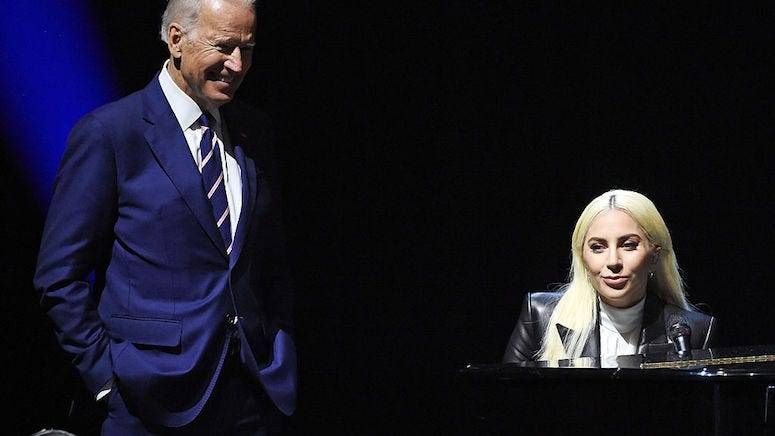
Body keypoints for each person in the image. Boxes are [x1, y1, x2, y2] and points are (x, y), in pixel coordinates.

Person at [33, 0, 296, 433]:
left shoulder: (255, 131)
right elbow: (59, 277)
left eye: (247, 49)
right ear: (176, 40)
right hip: (148, 401)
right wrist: (107, 382)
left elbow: (270, 262)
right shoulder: (112, 134)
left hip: (248, 398)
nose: (238, 64)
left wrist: (277, 349)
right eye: (223, 46)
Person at [502, 189, 718, 364]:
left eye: (628, 245)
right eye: (598, 247)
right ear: (582, 257)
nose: (613, 261)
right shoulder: (540, 316)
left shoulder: (694, 330)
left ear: (654, 255)